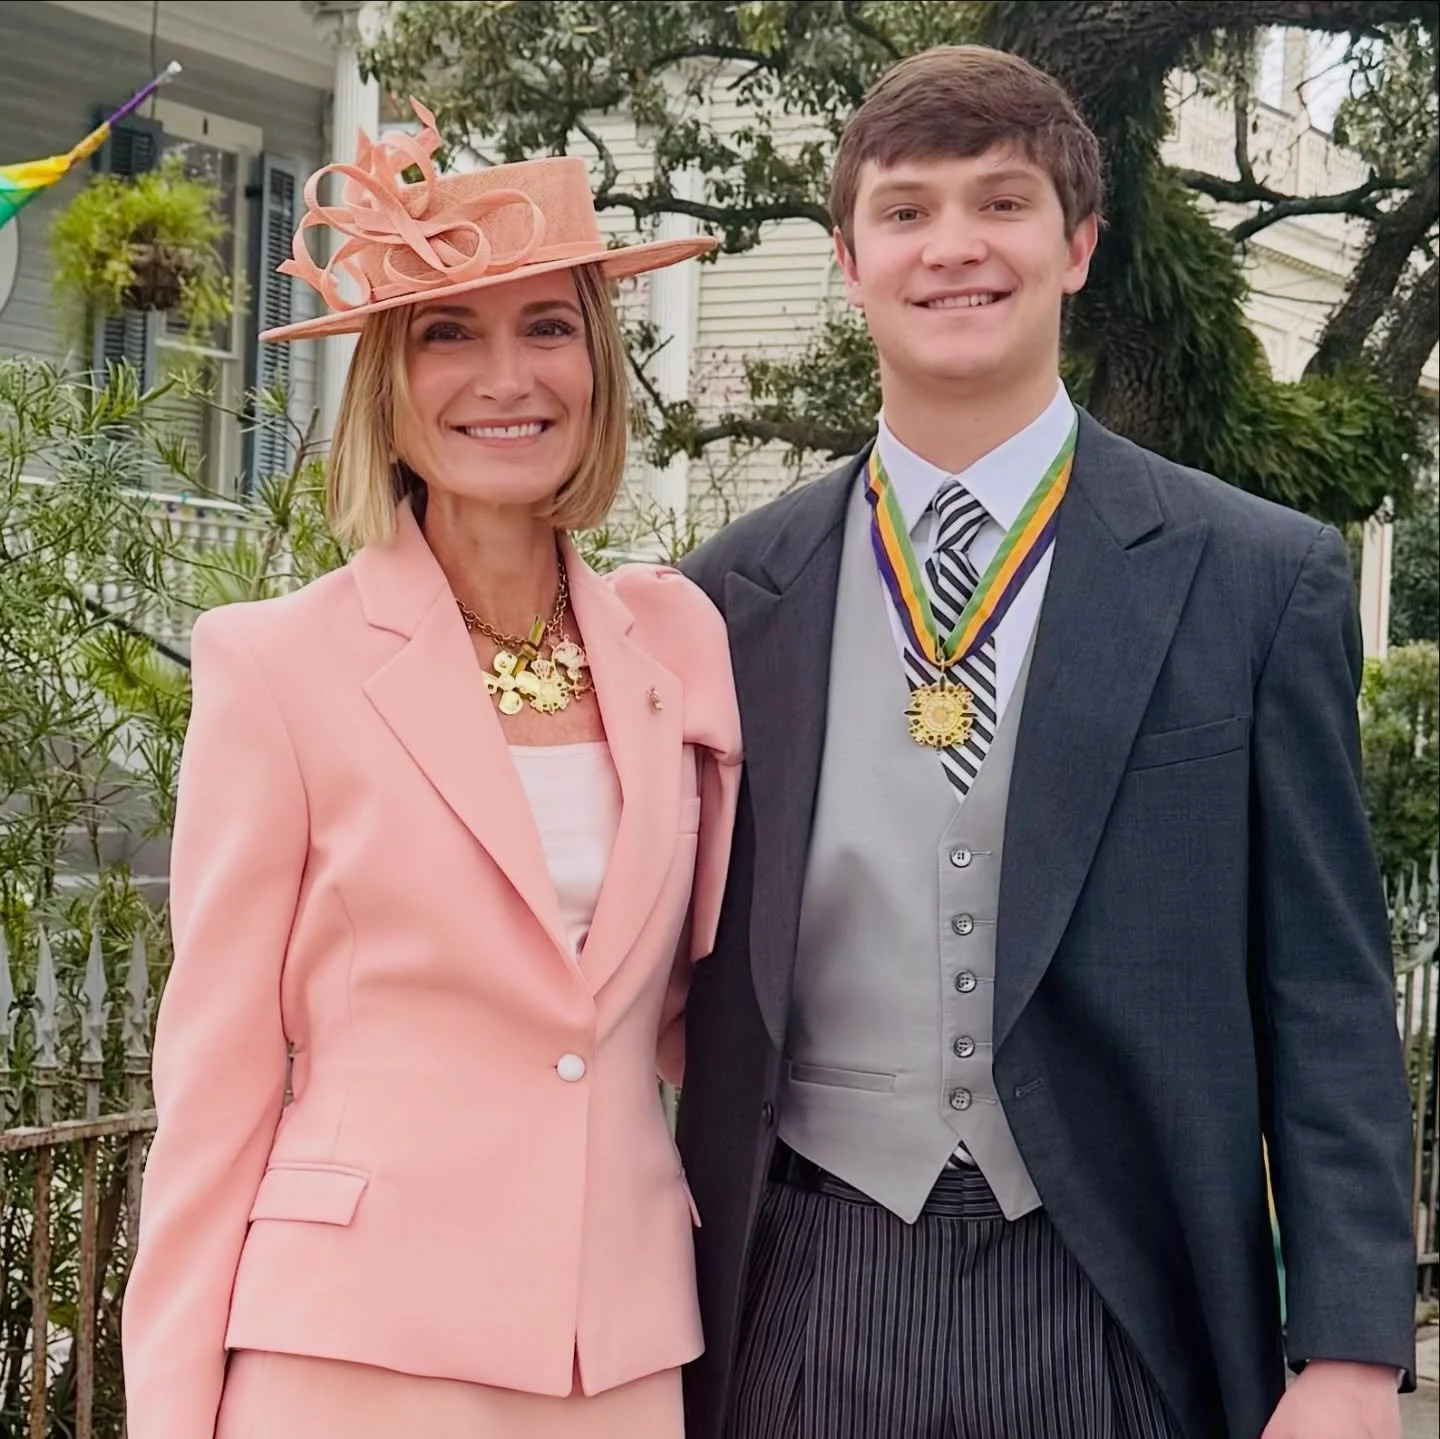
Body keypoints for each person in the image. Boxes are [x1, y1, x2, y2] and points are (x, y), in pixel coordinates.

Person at [677, 45, 1414, 1439]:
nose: (954, 246)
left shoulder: (1256, 577)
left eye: (1000, 203)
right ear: (849, 261)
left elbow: (1325, 989)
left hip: (1119, 1293)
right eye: (906, 211)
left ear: (1077, 245)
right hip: (801, 1287)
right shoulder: (721, 598)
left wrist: (1353, 1352)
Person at [122, 100, 740, 1439]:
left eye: (549, 327)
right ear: (386, 384)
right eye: (449, 333)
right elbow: (215, 1091)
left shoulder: (679, 644)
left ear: (600, 366)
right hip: (346, 1356)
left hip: (614, 1357)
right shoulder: (274, 666)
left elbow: (711, 1007)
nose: (504, 378)